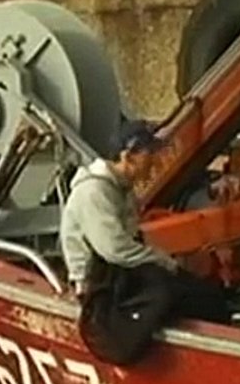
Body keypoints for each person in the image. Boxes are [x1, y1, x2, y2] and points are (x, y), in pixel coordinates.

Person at [60, 120, 231, 365]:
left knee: (200, 290)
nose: (153, 164)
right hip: (101, 283)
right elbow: (115, 249)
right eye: (149, 156)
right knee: (172, 290)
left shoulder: (124, 190)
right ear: (128, 156)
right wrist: (164, 262)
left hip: (121, 271)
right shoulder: (94, 193)